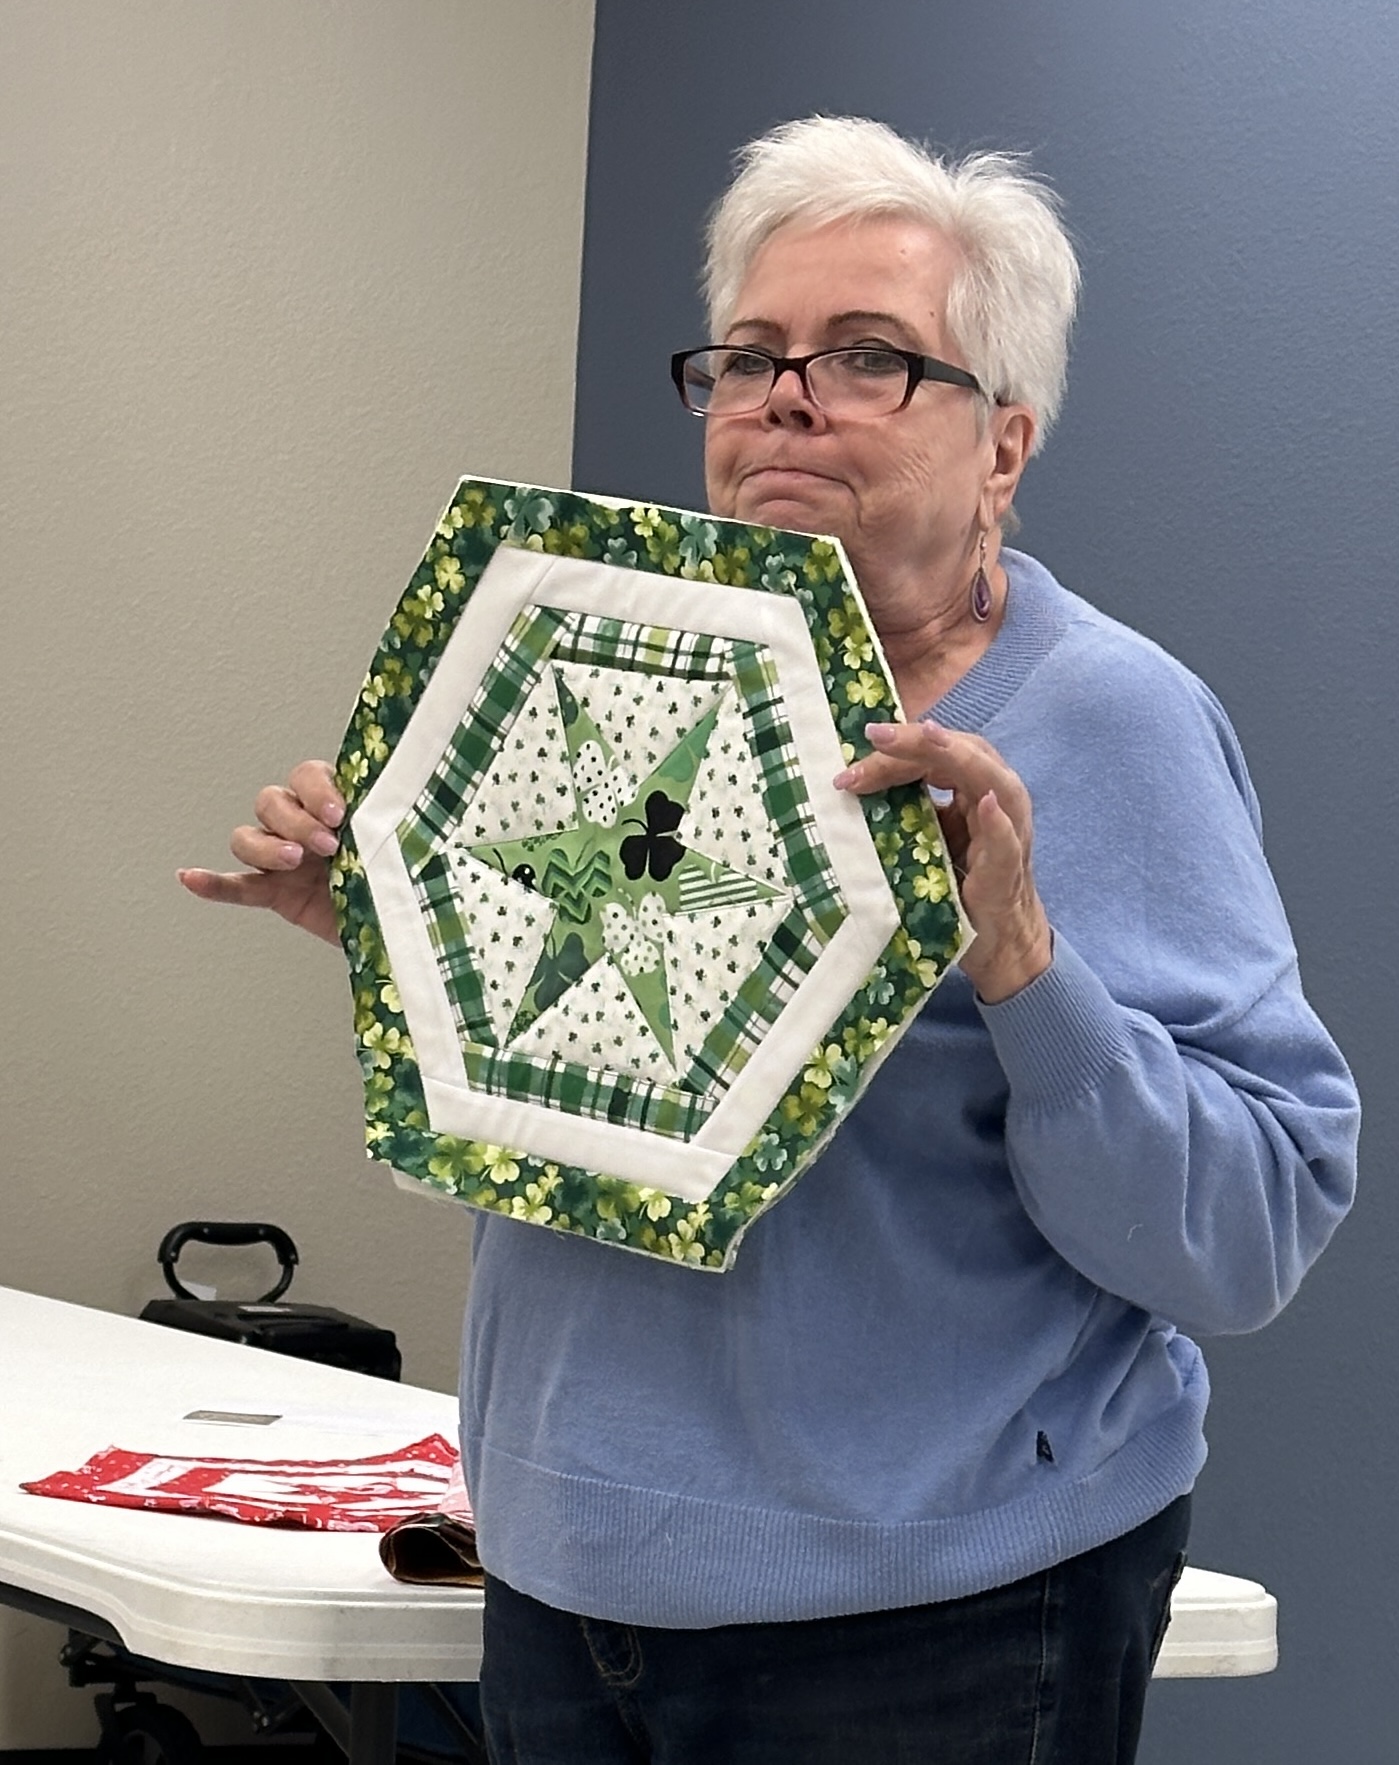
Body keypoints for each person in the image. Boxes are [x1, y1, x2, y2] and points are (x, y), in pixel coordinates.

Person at [180, 116, 1360, 1764]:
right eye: (749, 357)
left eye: (869, 357)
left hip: (934, 1625)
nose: (784, 398)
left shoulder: (1117, 725)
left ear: (1004, 446)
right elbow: (624, 1084)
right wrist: (401, 937)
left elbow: (1250, 1231)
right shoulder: (609, 668)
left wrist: (1025, 967)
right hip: (556, 1582)